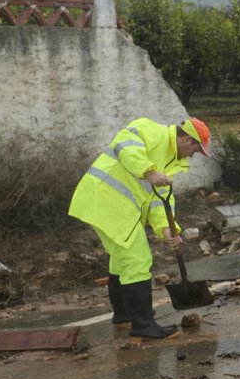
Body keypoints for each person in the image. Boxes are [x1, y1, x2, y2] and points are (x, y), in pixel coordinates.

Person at [69, 118, 211, 342]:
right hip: (106, 201)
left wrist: (167, 228)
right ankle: (143, 326)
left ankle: (124, 315)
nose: (195, 154)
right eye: (196, 148)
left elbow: (159, 199)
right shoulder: (152, 131)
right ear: (185, 139)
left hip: (110, 204)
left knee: (121, 260)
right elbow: (123, 144)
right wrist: (148, 171)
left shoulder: (168, 159)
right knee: (137, 259)